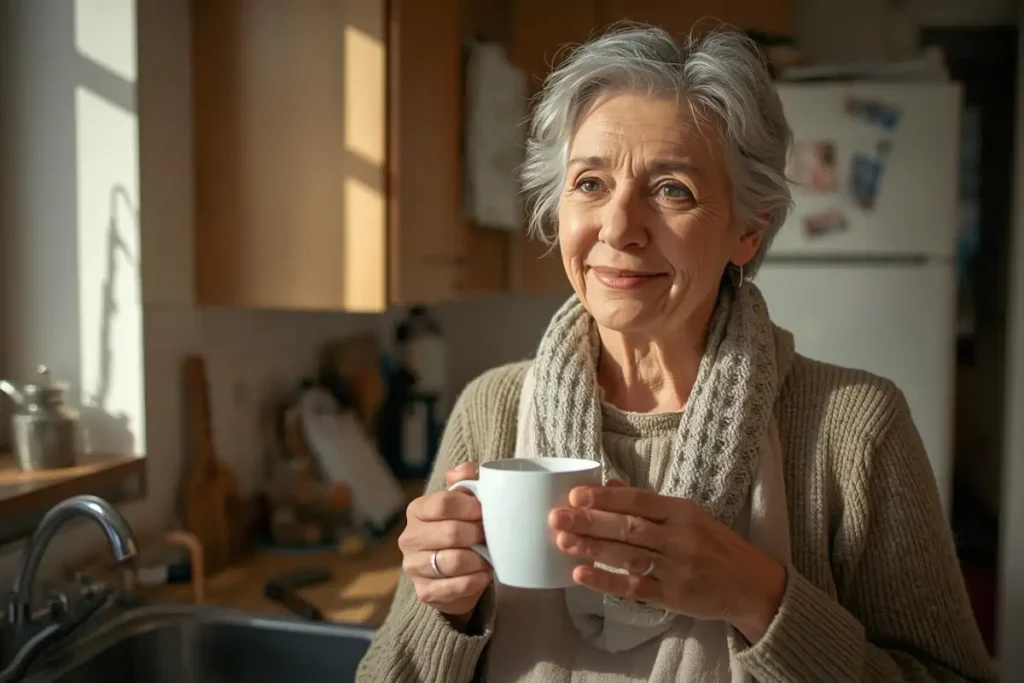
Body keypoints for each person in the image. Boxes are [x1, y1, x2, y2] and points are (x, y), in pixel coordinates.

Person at [356, 23, 997, 683]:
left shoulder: (853, 430)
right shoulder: (493, 407)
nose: (618, 227)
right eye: (589, 184)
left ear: (748, 230)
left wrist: (759, 598)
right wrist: (444, 610)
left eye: (672, 190)